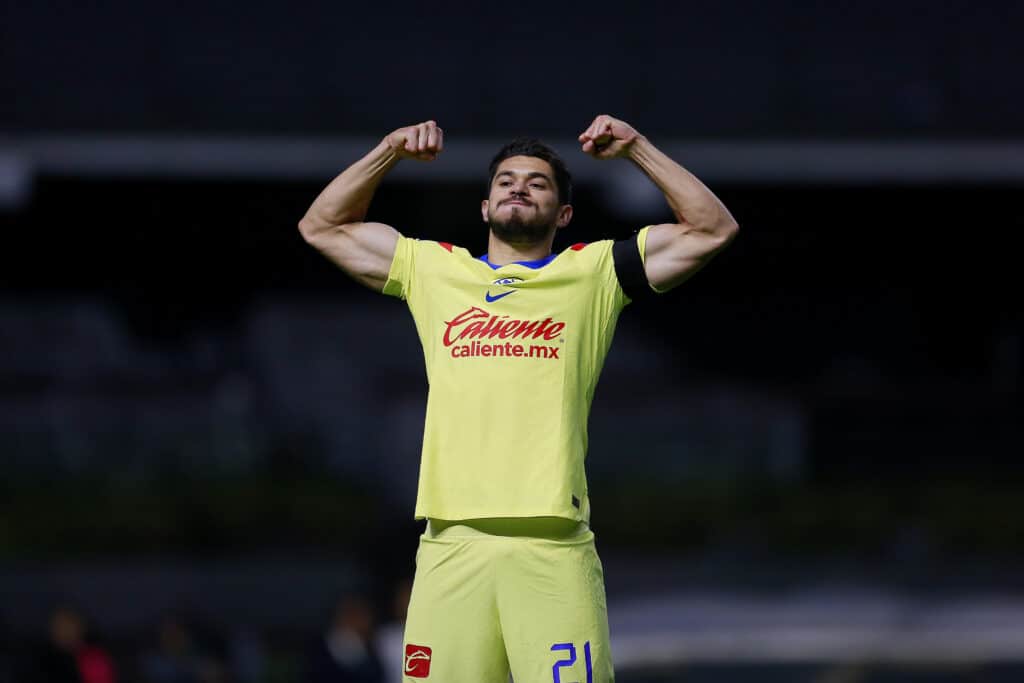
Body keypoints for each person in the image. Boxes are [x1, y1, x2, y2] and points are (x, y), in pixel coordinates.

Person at [298, 115, 738, 681]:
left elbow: (712, 229)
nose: (518, 187)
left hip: (552, 549)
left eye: (537, 182)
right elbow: (322, 226)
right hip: (450, 546)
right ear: (484, 208)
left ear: (564, 213)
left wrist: (637, 150)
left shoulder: (593, 273)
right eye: (505, 180)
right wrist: (387, 152)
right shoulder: (434, 270)